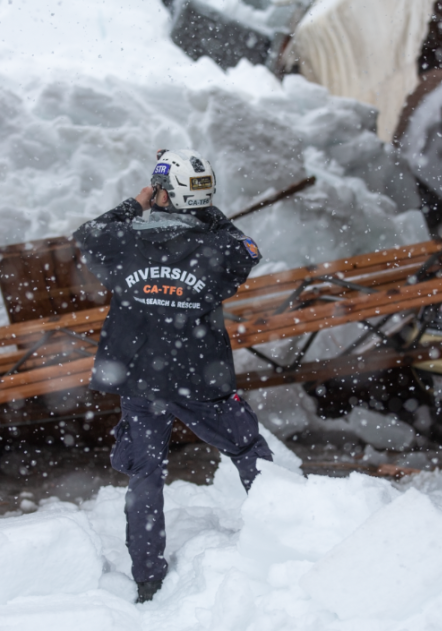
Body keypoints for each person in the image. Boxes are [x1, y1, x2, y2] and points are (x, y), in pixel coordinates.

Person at [74, 148, 273, 603]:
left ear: (163, 193)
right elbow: (247, 250)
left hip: (141, 378)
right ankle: (288, 532)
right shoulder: (219, 248)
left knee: (145, 475)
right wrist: (203, 211)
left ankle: (148, 578)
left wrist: (137, 203)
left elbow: (87, 235)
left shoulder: (123, 241)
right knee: (248, 451)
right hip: (199, 375)